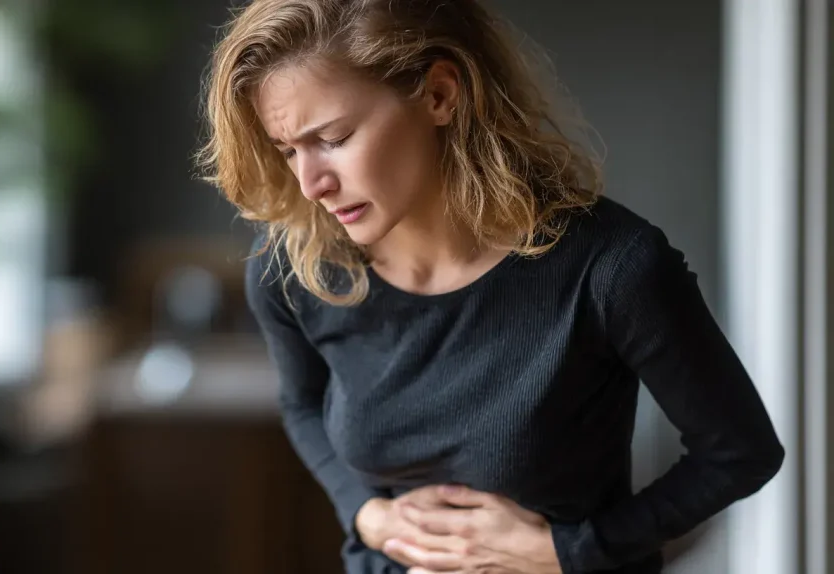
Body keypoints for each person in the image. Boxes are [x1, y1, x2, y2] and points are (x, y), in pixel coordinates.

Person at [196, 0, 785, 572]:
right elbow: (302, 405)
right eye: (288, 150)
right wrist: (366, 513)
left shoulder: (613, 268)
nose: (310, 184)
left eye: (334, 138)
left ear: (439, 94)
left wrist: (570, 552)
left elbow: (740, 453)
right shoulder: (293, 271)